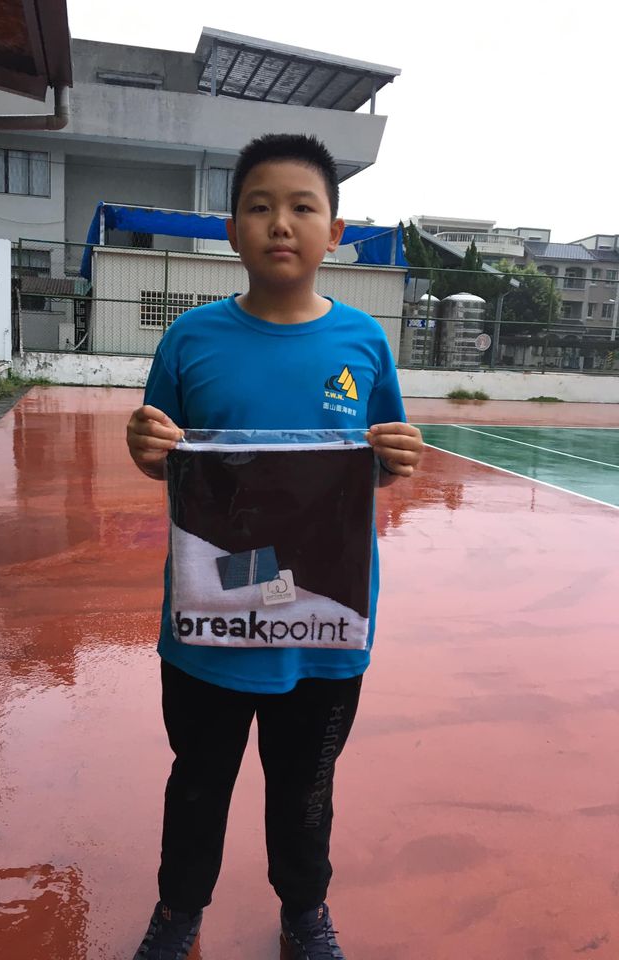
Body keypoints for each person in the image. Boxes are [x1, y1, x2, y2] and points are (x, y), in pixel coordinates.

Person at [126, 133, 423, 960]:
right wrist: (144, 447)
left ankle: (304, 913)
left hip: (324, 627)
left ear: (336, 233)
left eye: (302, 207)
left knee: (305, 792)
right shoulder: (190, 340)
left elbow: (377, 463)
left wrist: (396, 458)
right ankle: (178, 912)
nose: (280, 223)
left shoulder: (363, 344)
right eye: (259, 207)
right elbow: (164, 456)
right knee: (197, 784)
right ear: (232, 230)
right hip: (209, 622)